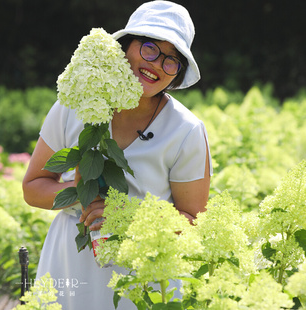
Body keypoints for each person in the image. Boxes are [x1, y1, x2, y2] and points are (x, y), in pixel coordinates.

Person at [22, 1, 213, 309]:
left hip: (144, 275)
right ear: (125, 46)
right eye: (150, 48)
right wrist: (84, 194)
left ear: (178, 73)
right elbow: (33, 186)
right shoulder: (75, 103)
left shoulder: (186, 130)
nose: (156, 65)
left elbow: (194, 222)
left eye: (172, 60)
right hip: (70, 263)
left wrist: (127, 214)